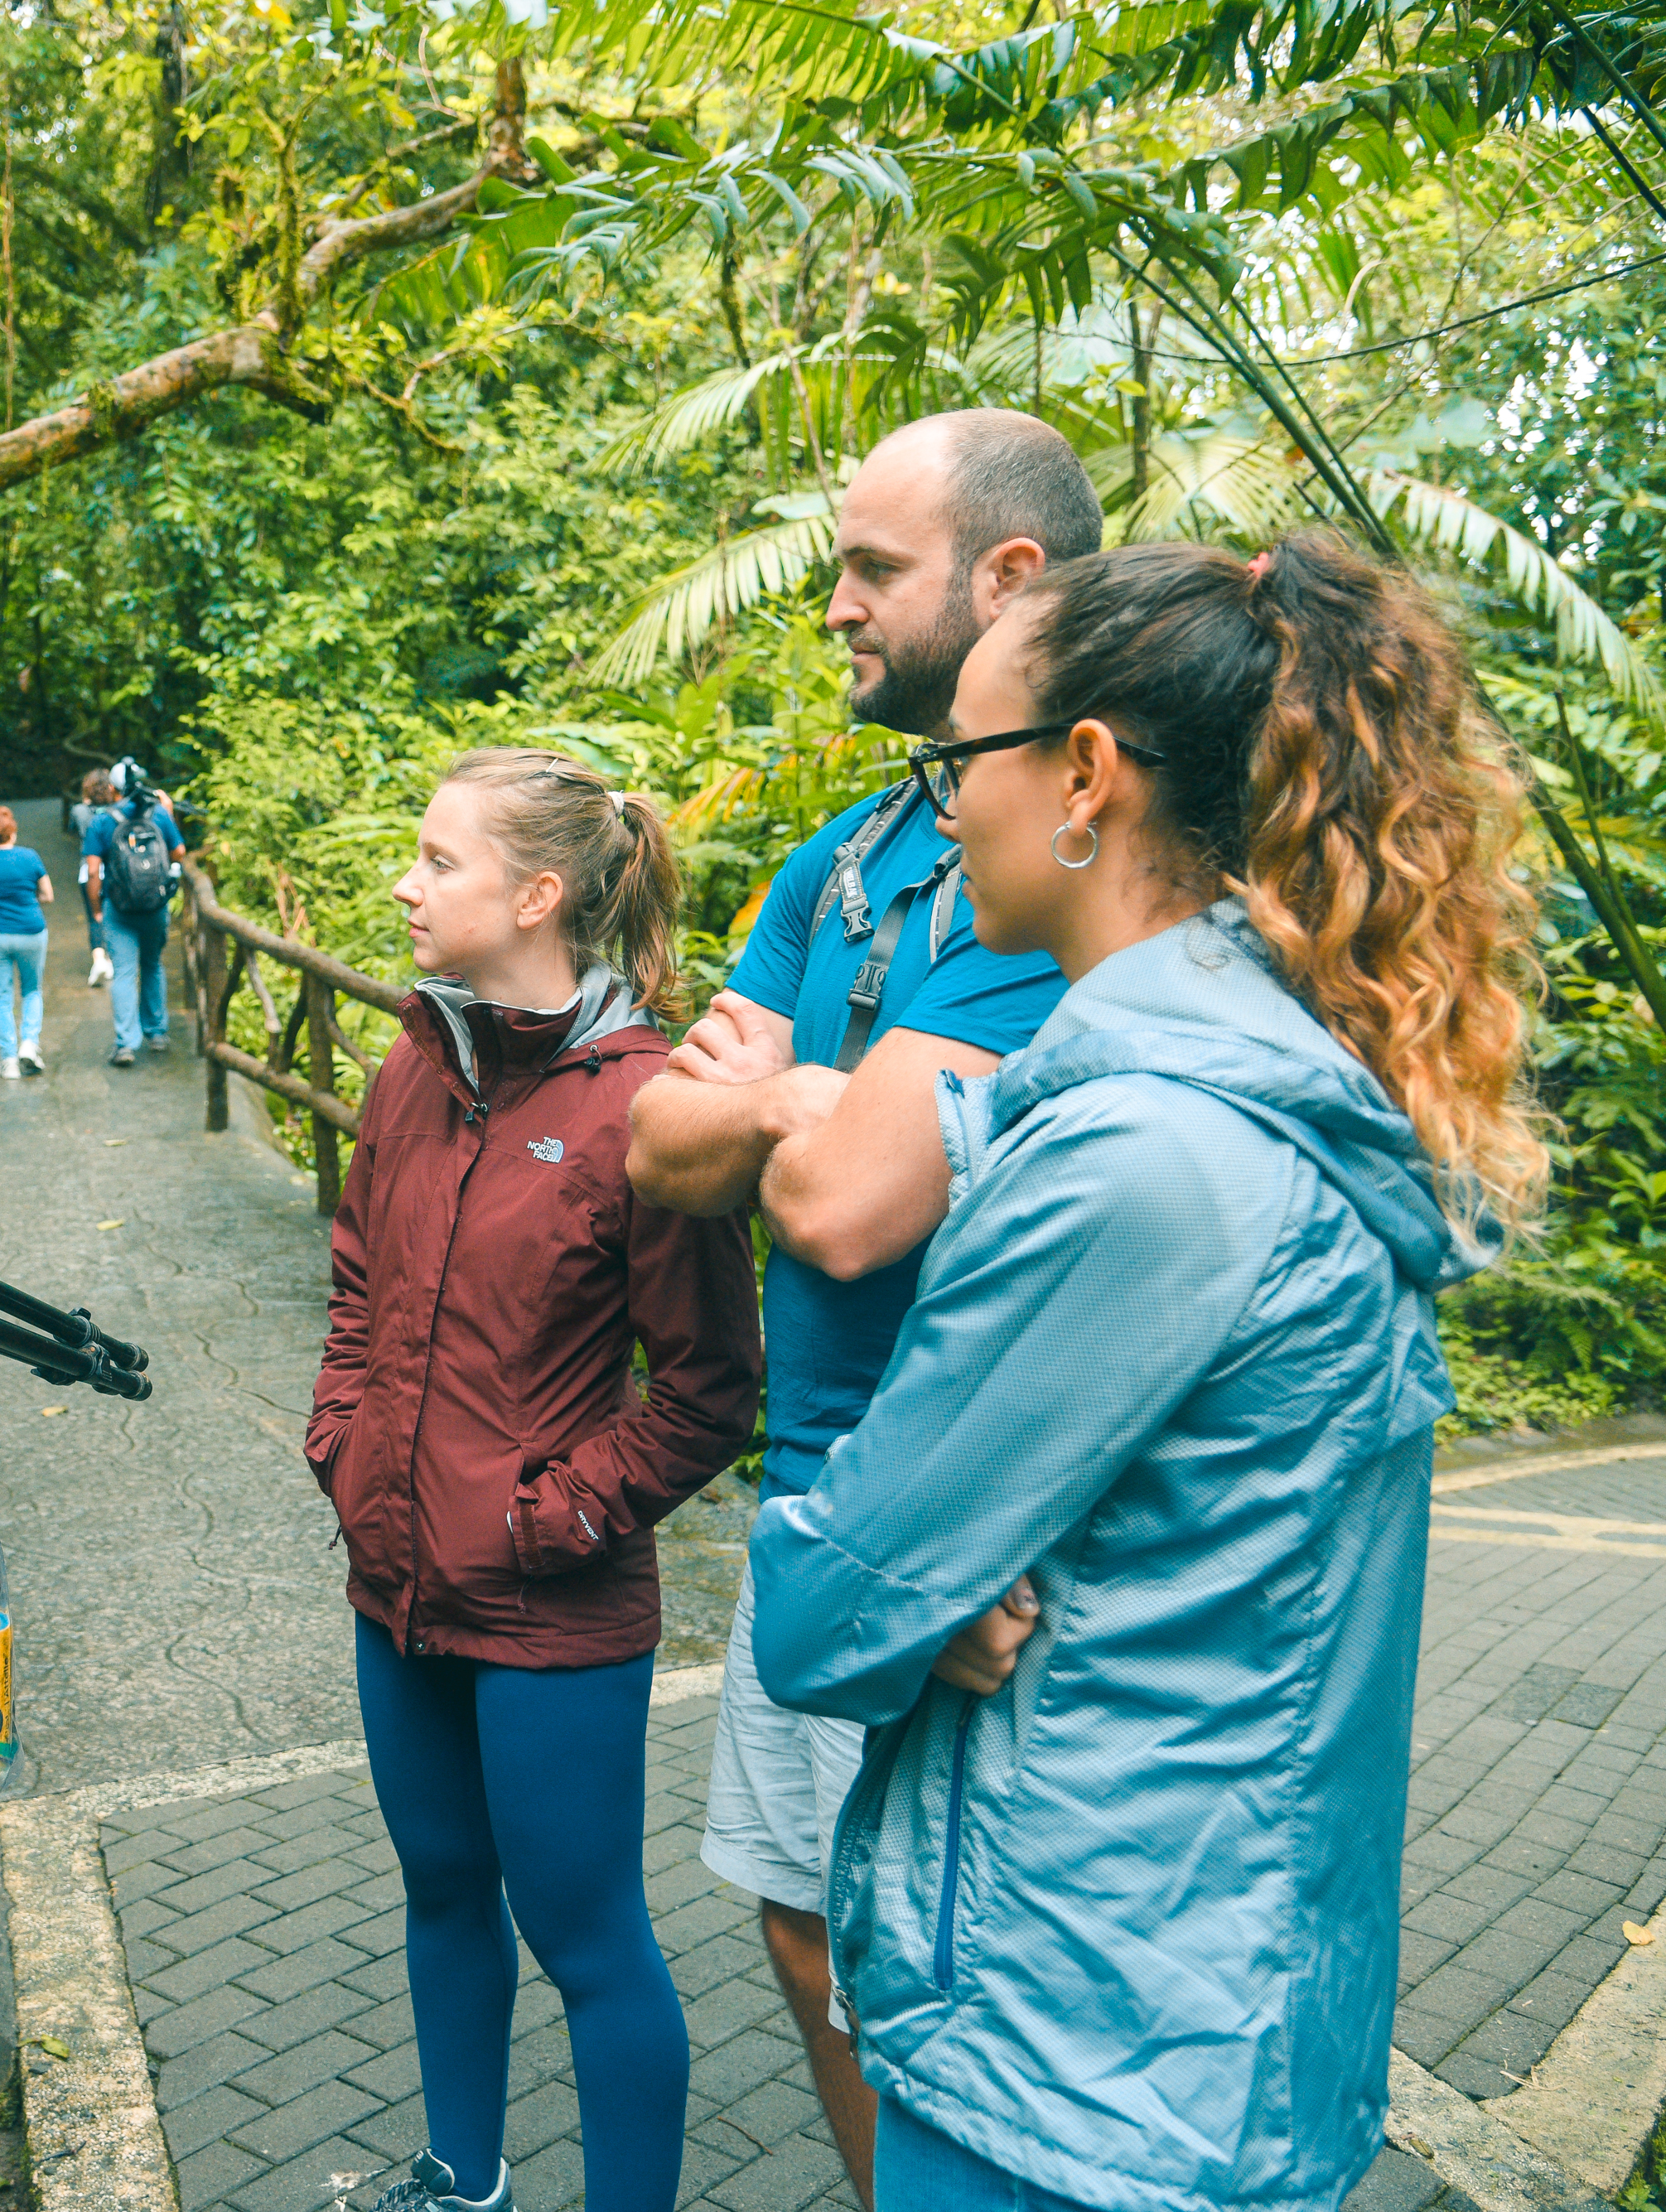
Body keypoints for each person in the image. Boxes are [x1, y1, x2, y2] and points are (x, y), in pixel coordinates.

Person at [751, 532, 1543, 2211]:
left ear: (1084, 778)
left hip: (1079, 2072)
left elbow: (819, 1620)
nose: (940, 804)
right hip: (1198, 2032)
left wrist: (899, 1584)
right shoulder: (1263, 1092)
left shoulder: (1141, 1158)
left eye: (961, 758)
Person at [621, 408, 1099, 2209]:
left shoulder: (1045, 848)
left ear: (1008, 580)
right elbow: (658, 1147)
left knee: (958, 1978)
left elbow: (837, 1210)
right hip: (811, 1490)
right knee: (807, 1931)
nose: (829, 605)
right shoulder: (845, 856)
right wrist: (783, 1098)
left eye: (866, 569)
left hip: (968, 1523)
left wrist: (777, 1103)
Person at [311, 749, 765, 2212]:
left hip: (551, 1613)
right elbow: (358, 1282)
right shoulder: (415, 1060)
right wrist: (341, 1440)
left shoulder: (650, 1104)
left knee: (585, 1937)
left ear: (539, 892)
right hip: (394, 1579)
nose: (407, 882)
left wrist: (554, 1512)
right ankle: (466, 2178)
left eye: (439, 859)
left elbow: (709, 1391)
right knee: (443, 1887)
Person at [79, 761, 183, 1065]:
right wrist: (168, 812)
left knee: (124, 972)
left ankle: (126, 1044)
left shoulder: (103, 822)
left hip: (120, 907)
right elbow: (179, 853)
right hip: (155, 905)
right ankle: (157, 1033)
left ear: (111, 788)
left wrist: (97, 909)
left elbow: (93, 871)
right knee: (152, 965)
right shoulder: (159, 813)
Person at [0, 802, 53, 1077]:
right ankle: (29, 1043)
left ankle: (9, 1061)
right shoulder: (29, 857)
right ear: (12, 831)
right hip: (31, 931)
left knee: (2, 997)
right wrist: (27, 899)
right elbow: (48, 895)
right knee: (32, 990)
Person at [69, 767, 118, 988]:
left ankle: (99, 960)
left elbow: (73, 831)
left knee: (94, 916)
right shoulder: (117, 811)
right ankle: (112, 960)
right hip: (115, 870)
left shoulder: (79, 811)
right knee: (115, 915)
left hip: (88, 870)